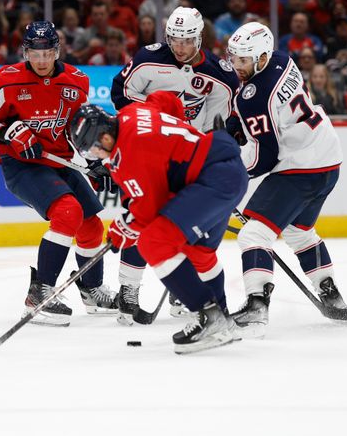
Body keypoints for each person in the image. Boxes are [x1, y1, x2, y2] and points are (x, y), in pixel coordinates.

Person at [69, 94, 248, 354]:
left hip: (211, 182)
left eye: (93, 148)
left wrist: (123, 227)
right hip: (225, 168)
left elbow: (150, 210)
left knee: (154, 243)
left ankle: (210, 317)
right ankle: (222, 319)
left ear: (104, 136)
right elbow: (167, 101)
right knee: (200, 252)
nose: (96, 154)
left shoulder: (130, 154)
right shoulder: (132, 112)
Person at [0, 21, 117, 326]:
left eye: (48, 53)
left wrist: (98, 160)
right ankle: (40, 294)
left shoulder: (76, 81)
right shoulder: (7, 81)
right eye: (35, 53)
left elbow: (80, 131)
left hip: (59, 161)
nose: (42, 60)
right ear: (25, 52)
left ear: (57, 51)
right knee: (68, 212)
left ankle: (91, 287)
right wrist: (9, 131)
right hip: (21, 165)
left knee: (90, 224)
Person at [109, 6, 240, 324]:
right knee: (140, 217)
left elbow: (219, 123)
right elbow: (121, 92)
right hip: (150, 155)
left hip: (187, 158)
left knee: (191, 227)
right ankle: (128, 290)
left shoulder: (220, 75)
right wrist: (153, 119)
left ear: (200, 38)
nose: (179, 48)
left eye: (187, 41)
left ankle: (185, 292)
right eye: (174, 40)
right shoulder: (148, 58)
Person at [224, 21, 347, 339]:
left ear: (261, 58)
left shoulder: (253, 97)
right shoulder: (283, 59)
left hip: (301, 169)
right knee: (299, 231)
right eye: (234, 58)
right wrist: (241, 124)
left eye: (242, 60)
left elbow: (265, 158)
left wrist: (232, 175)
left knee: (252, 236)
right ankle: (329, 289)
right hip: (328, 158)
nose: (236, 66)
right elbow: (271, 114)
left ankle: (256, 304)